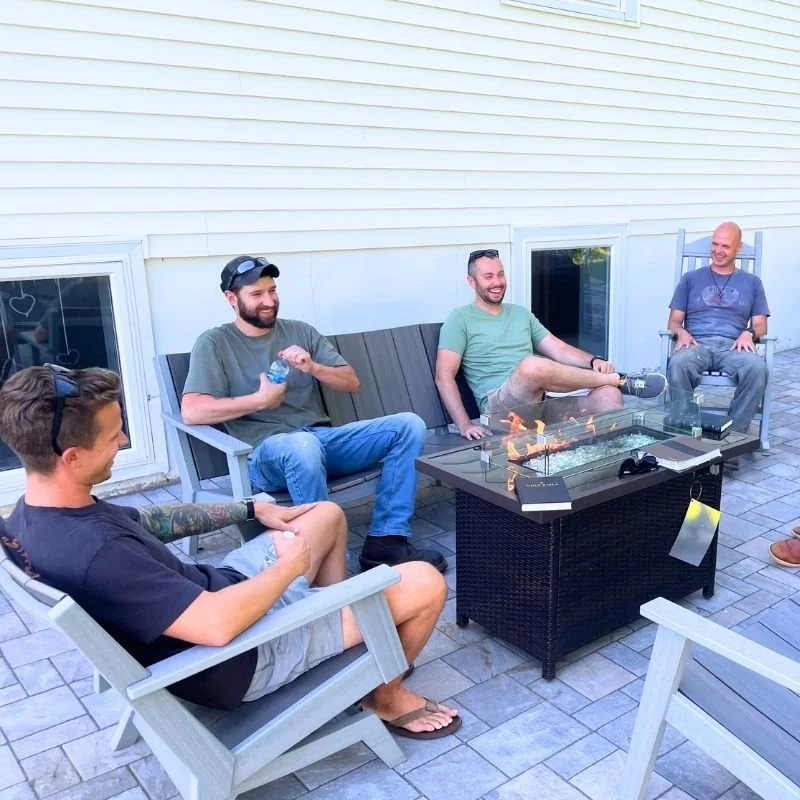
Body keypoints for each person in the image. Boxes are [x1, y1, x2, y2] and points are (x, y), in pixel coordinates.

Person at [0, 365, 460, 738]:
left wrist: (249, 508)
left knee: (322, 515)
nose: (123, 442)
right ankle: (382, 694)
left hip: (220, 596)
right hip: (238, 656)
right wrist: (292, 566)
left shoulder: (34, 513)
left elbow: (152, 522)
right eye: (113, 437)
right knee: (424, 581)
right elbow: (217, 626)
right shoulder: (96, 552)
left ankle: (346, 644)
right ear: (71, 457)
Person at [181, 256, 445, 574]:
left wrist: (313, 367)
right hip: (264, 454)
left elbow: (350, 382)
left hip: (319, 439)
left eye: (272, 291)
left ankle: (386, 542)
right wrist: (258, 401)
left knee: (409, 426)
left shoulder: (299, 332)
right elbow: (192, 411)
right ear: (231, 298)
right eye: (257, 294)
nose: (268, 301)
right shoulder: (215, 343)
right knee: (301, 447)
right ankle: (330, 568)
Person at [435, 249, 666, 439]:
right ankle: (622, 380)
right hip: (502, 411)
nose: (497, 282)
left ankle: (602, 467)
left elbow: (558, 348)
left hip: (541, 404)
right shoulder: (460, 319)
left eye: (500, 274)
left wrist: (593, 360)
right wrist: (465, 425)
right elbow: (443, 376)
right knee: (533, 366)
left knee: (609, 397)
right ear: (471, 281)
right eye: (488, 277)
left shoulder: (520, 313)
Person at [666, 222, 770, 434]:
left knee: (758, 369)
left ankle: (734, 436)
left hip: (733, 347)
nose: (718, 251)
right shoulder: (691, 279)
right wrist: (681, 331)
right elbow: (674, 321)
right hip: (696, 344)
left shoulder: (752, 282)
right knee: (677, 363)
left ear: (737, 248)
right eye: (715, 244)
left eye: (725, 246)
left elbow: (761, 325)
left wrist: (749, 333)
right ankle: (687, 432)